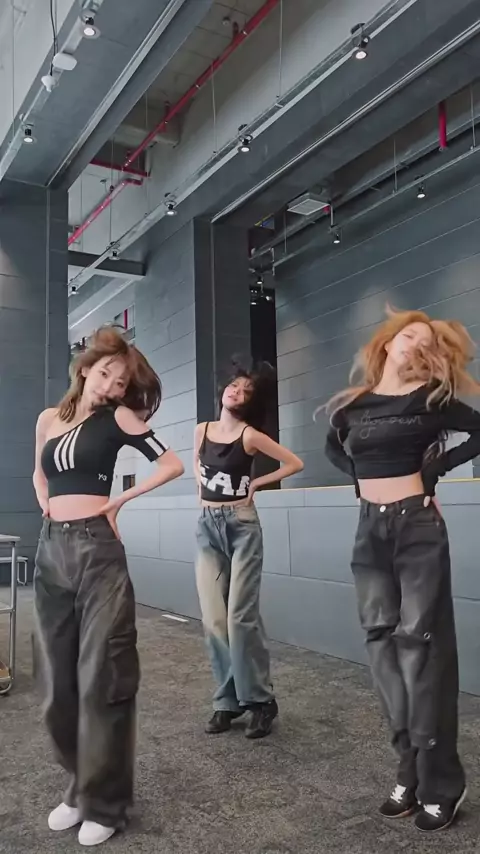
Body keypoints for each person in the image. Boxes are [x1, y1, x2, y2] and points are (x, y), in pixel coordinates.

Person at [324, 307, 480, 833]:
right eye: (409, 335)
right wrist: (359, 481)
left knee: (422, 649)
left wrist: (434, 471)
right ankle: (408, 771)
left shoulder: (431, 401)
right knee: (382, 647)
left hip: (417, 527)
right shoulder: (354, 406)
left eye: (427, 341)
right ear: (388, 343)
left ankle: (442, 784)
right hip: (370, 530)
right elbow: (333, 446)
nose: (417, 343)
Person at [33, 327, 184, 847]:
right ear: (84, 369)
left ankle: (107, 803)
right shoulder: (48, 419)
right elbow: (40, 475)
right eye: (105, 375)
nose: (111, 386)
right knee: (56, 685)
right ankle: (80, 787)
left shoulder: (118, 418)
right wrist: (46, 506)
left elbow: (171, 464)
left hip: (98, 552)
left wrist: (119, 501)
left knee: (104, 677)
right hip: (52, 551)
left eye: (120, 383)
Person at [193, 362, 304, 739]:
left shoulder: (250, 435)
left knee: (240, 617)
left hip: (241, 525)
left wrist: (256, 484)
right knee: (213, 619)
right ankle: (227, 702)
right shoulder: (201, 430)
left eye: (246, 392)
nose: (237, 393)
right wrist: (204, 501)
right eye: (234, 386)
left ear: (249, 403)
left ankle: (260, 700)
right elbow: (198, 469)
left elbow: (294, 463)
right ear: (224, 389)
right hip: (207, 526)